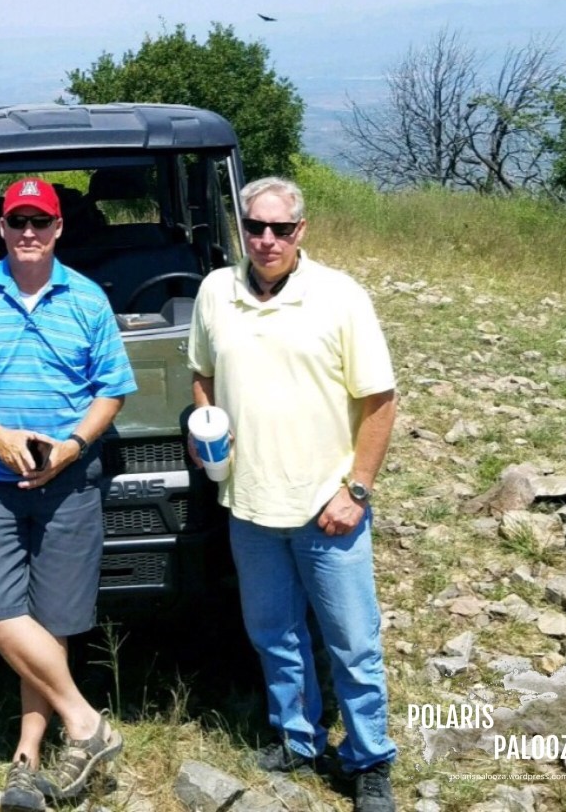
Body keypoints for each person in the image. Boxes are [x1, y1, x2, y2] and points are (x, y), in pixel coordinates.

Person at [0, 177, 136, 812]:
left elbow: (112, 389)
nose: (29, 232)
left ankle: (27, 758)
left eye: (41, 221)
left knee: (52, 624)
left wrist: (73, 445)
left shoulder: (88, 299)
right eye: (18, 221)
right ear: (3, 227)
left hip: (69, 482)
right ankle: (87, 722)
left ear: (59, 227)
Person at [187, 176, 398, 812]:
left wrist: (356, 490)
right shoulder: (215, 291)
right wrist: (205, 427)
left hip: (327, 507)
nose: (267, 240)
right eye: (255, 227)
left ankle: (368, 759)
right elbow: (202, 373)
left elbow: (380, 401)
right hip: (249, 506)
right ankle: (296, 737)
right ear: (241, 228)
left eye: (281, 228)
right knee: (274, 634)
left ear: (301, 230)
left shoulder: (340, 296)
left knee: (352, 642)